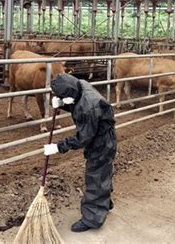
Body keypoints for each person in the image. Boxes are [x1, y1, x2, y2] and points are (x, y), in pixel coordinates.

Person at [44, 73, 117, 232]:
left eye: (62, 96)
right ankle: (105, 202)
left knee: (95, 175)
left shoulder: (88, 107)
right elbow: (74, 100)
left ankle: (93, 218)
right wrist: (62, 103)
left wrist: (59, 146)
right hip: (101, 134)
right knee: (102, 171)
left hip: (101, 141)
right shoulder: (80, 84)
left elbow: (84, 138)